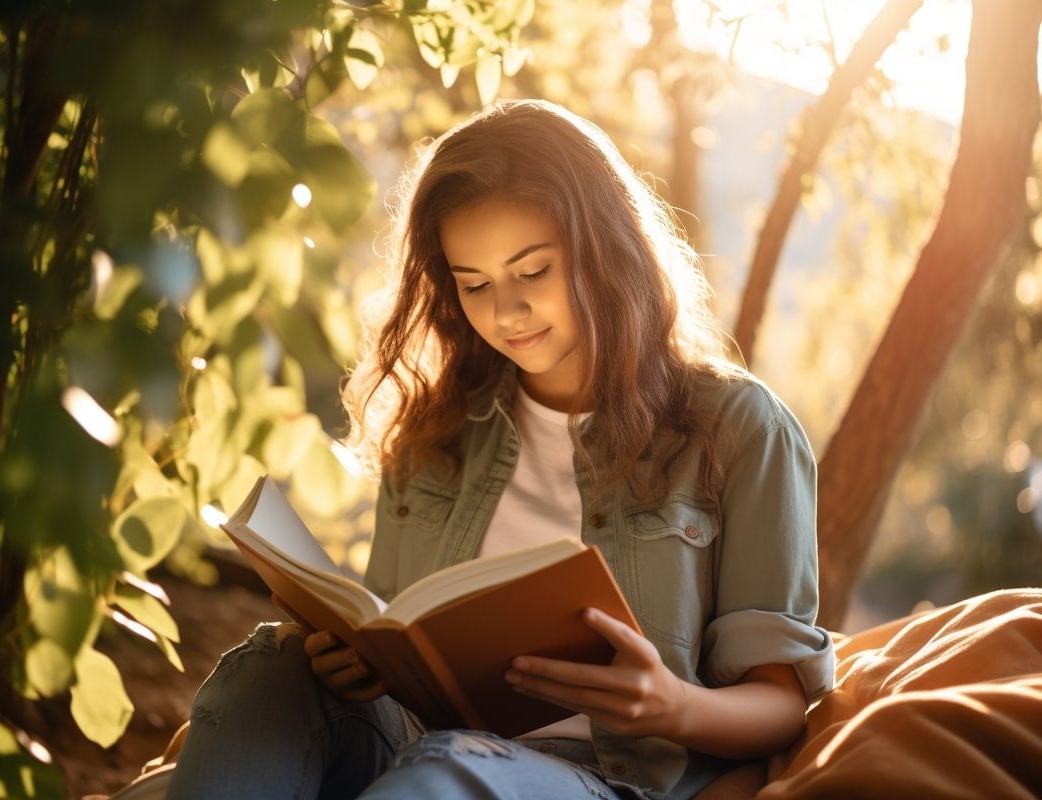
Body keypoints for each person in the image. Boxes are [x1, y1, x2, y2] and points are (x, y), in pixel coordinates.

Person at [166, 98, 835, 800]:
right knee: (265, 665)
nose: (505, 312)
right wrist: (355, 666)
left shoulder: (739, 428)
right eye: (475, 285)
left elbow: (783, 704)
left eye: (533, 271)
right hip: (420, 750)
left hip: (606, 781)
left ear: (606, 250)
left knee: (449, 768)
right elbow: (399, 638)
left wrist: (671, 704)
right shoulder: (436, 429)